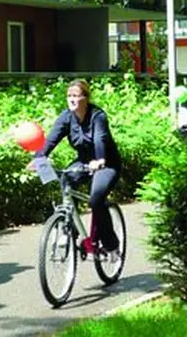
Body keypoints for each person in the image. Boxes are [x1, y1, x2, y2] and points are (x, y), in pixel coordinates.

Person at [31, 80, 121, 259]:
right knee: (67, 180)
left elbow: (100, 139)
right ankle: (69, 230)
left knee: (96, 200)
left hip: (107, 163)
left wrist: (100, 160)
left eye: (76, 96)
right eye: (69, 96)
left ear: (86, 98)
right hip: (84, 161)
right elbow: (51, 139)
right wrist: (38, 159)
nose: (71, 99)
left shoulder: (97, 116)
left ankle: (111, 244)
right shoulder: (66, 117)